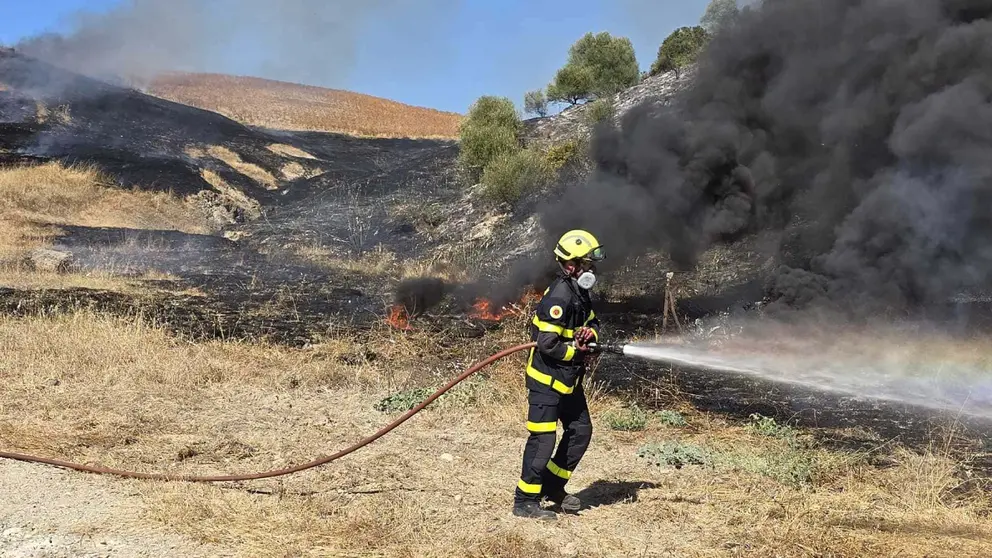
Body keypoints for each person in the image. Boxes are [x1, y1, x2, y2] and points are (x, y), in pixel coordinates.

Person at [513, 229, 604, 520]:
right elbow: (548, 344)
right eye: (587, 264)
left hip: (568, 381)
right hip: (547, 382)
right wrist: (576, 352)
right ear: (570, 266)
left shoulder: (581, 293)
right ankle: (525, 500)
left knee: (580, 432)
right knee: (543, 440)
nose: (591, 270)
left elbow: (592, 322)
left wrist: (591, 335)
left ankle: (553, 486)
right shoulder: (560, 298)